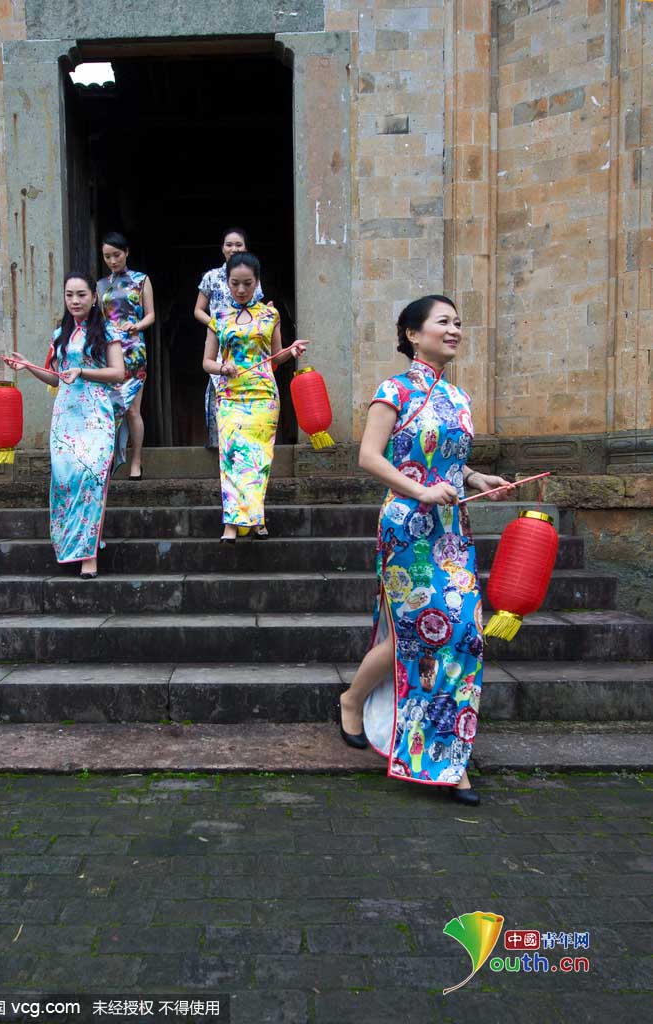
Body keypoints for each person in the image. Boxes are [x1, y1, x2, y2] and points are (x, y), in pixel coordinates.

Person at [338, 295, 515, 806]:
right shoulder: (393, 390)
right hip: (408, 529)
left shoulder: (458, 398)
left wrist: (480, 477)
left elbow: (454, 466)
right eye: (444, 322)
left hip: (452, 531)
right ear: (413, 334)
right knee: (417, 635)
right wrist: (419, 491)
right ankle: (355, 703)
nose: (455, 329)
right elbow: (369, 458)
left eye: (459, 322)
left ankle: (448, 753)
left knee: (463, 634)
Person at [5, 272, 124, 578]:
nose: (75, 301)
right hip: (66, 416)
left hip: (96, 415)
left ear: (94, 297)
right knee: (66, 481)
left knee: (91, 477)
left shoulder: (109, 330)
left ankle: (88, 556)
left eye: (81, 294)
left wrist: (83, 371)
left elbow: (118, 373)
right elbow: (57, 378)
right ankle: (77, 543)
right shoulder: (60, 334)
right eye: (69, 295)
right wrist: (28, 366)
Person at [202, 252, 306, 542]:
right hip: (230, 395)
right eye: (235, 283)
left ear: (256, 282)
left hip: (263, 396)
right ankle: (232, 524)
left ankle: (256, 518)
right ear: (227, 282)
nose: (241, 289)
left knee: (259, 459)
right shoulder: (218, 317)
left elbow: (276, 356)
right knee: (233, 457)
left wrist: (292, 350)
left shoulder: (270, 314)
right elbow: (207, 362)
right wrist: (223, 367)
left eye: (247, 283)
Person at [194, 227, 264, 448]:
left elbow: (257, 307)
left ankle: (248, 441)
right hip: (219, 342)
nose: (233, 248)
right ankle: (220, 444)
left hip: (245, 342)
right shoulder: (211, 277)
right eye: (229, 244)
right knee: (218, 390)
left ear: (246, 248)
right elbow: (198, 310)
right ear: (222, 248)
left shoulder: (252, 276)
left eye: (238, 245)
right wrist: (218, 327)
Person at [97, 231, 155, 479]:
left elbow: (150, 315)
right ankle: (108, 458)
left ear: (127, 252)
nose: (112, 261)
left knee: (132, 410)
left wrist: (137, 326)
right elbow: (99, 320)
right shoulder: (100, 285)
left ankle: (136, 461)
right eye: (107, 256)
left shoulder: (141, 280)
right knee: (108, 407)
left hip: (134, 350)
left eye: (116, 255)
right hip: (110, 350)